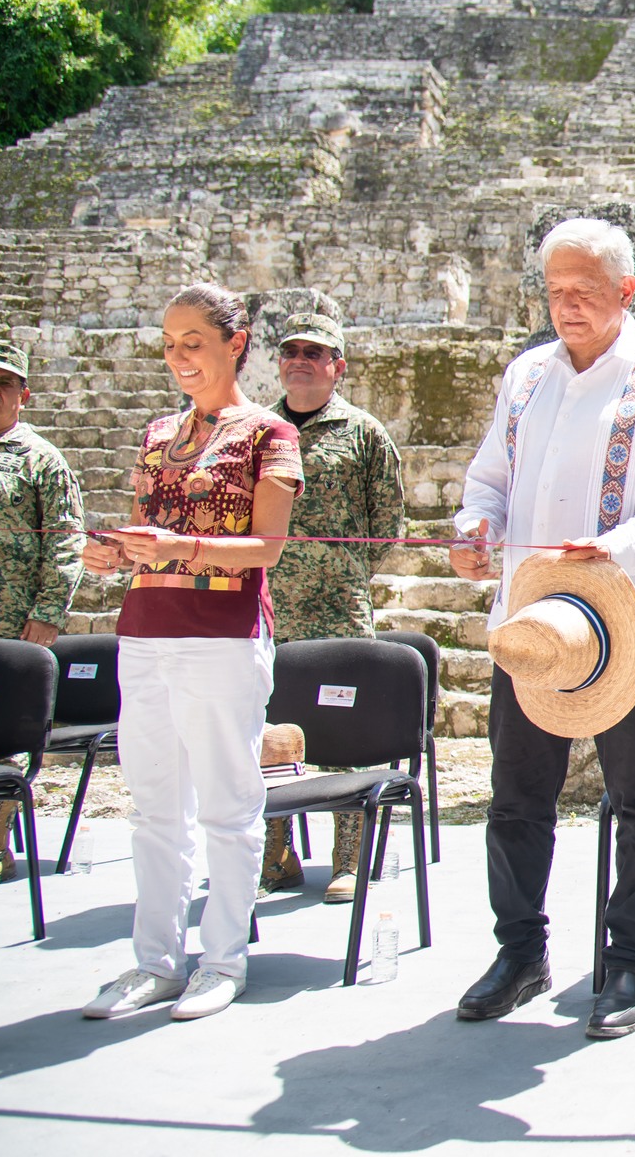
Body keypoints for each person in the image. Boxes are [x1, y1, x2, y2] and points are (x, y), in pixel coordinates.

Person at [450, 217, 635, 1040]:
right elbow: (488, 479)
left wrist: (609, 548)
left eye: (585, 291)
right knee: (517, 796)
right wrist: (475, 527)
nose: (567, 304)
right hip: (532, 621)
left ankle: (631, 960)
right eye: (555, 290)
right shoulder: (526, 374)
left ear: (626, 291)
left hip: (628, 620)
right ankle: (519, 951)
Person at [80, 284, 304, 1022]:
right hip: (145, 629)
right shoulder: (156, 433)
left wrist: (179, 546)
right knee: (153, 808)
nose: (179, 356)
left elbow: (266, 548)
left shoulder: (270, 434)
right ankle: (154, 960)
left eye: (194, 342)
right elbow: (146, 533)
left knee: (227, 805)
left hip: (222, 636)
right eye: (170, 343)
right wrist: (113, 552)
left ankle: (223, 958)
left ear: (235, 343)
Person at [256, 312, 406, 902]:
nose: (300, 360)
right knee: (268, 731)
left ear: (337, 366)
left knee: (345, 730)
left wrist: (340, 571)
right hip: (267, 607)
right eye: (291, 350)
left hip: (338, 609)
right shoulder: (258, 429)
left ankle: (349, 857)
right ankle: (276, 855)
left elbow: (387, 522)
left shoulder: (364, 433)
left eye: (314, 353)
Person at [0, 341, 84, 892]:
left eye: (4, 382)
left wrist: (48, 612)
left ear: (23, 396)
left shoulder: (39, 460)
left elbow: (66, 539)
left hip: (8, 626)